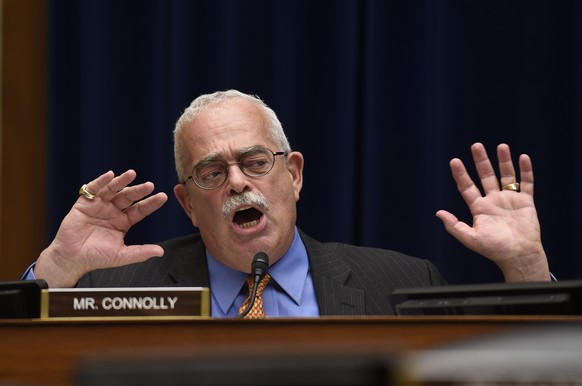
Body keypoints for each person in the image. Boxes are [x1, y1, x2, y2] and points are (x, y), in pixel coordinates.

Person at [26, 89, 551, 316]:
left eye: (256, 162)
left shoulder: (401, 285)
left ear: (293, 174)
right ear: (187, 204)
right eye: (212, 172)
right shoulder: (114, 291)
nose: (236, 183)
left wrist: (526, 269)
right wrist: (55, 268)